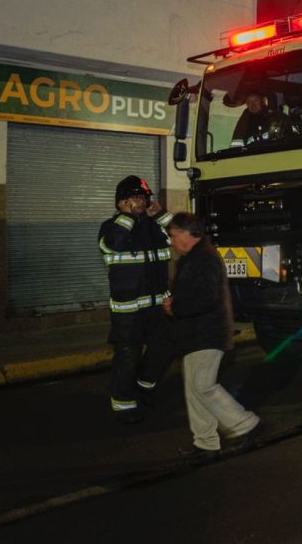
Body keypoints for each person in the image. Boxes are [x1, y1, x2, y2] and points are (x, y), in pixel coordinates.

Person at [164, 212, 261, 460]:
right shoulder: (193, 258)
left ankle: (244, 425)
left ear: (188, 234)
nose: (172, 241)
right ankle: (206, 442)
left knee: (203, 385)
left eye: (174, 235)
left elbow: (207, 298)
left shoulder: (204, 260)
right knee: (193, 390)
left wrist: (175, 307)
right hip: (193, 333)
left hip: (207, 332)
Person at [98, 175, 177, 423]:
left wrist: (161, 214)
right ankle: (123, 405)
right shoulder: (111, 227)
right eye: (133, 198)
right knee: (128, 354)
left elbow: (183, 236)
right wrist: (129, 216)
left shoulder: (154, 227)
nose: (139, 202)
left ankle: (144, 386)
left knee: (164, 348)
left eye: (142, 197)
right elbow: (114, 244)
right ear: (120, 202)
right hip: (128, 309)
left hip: (157, 306)